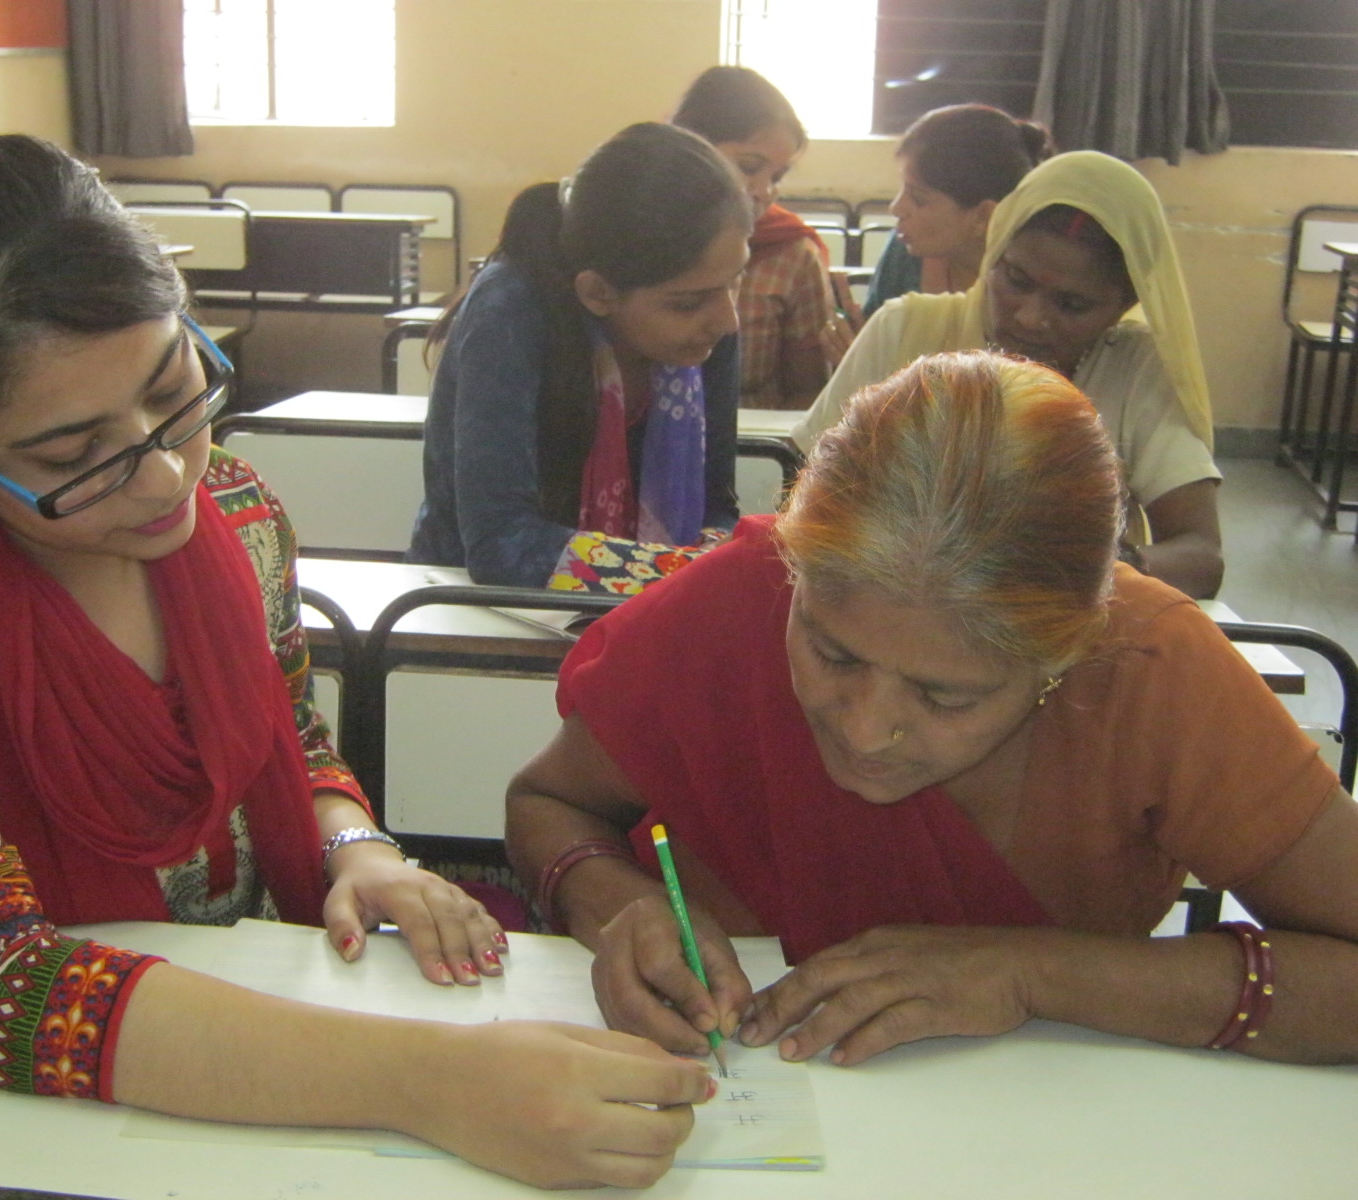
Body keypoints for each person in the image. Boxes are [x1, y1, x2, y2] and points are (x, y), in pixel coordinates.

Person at [0, 134, 712, 1191]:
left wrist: (355, 847)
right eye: (73, 457)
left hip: (269, 1039)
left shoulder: (238, 511)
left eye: (175, 389)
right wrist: (428, 1081)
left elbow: (288, 733)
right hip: (37, 1128)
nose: (164, 476)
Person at [507, 350, 1358, 1072]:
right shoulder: (739, 599)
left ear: (1065, 654)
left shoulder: (1146, 668)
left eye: (947, 695)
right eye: (833, 654)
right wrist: (613, 903)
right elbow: (548, 802)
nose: (865, 729)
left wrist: (1034, 974)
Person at [793, 150, 1224, 599]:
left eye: (1072, 305)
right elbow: (805, 498)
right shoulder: (902, 331)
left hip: (1064, 625)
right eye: (1017, 280)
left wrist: (1081, 571)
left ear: (1124, 305)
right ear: (995, 252)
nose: (1031, 317)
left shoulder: (1133, 368)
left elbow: (1201, 556)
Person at [407, 122, 748, 594]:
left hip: (652, 605)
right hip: (474, 610)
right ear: (598, 293)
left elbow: (717, 505)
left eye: (736, 281)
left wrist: (718, 554)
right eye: (687, 303)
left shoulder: (708, 323)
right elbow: (501, 546)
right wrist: (688, 574)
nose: (728, 320)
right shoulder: (511, 309)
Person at [670, 65, 859, 409]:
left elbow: (809, 393)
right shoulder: (642, 237)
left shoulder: (792, 253)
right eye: (749, 167)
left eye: (777, 177)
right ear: (692, 148)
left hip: (755, 439)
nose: (764, 191)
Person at [863, 104, 1054, 319]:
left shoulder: (1031, 284)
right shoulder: (905, 252)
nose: (896, 208)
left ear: (984, 216)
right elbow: (872, 326)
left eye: (918, 199)